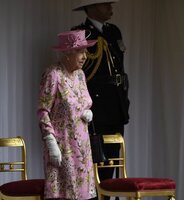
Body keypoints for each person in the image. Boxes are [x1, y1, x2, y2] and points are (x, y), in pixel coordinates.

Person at [72, 1, 130, 199]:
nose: (110, 8)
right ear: (92, 8)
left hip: (116, 105)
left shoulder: (114, 31)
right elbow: (77, 73)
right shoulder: (81, 33)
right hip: (95, 108)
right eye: (105, 4)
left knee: (113, 162)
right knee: (95, 164)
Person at [37, 30, 97, 200]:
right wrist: (50, 141)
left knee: (83, 194)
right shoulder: (53, 74)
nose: (85, 56)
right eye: (80, 51)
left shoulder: (80, 75)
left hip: (82, 145)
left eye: (85, 51)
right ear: (67, 53)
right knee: (64, 194)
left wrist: (87, 111)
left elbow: (84, 101)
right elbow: (42, 110)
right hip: (62, 146)